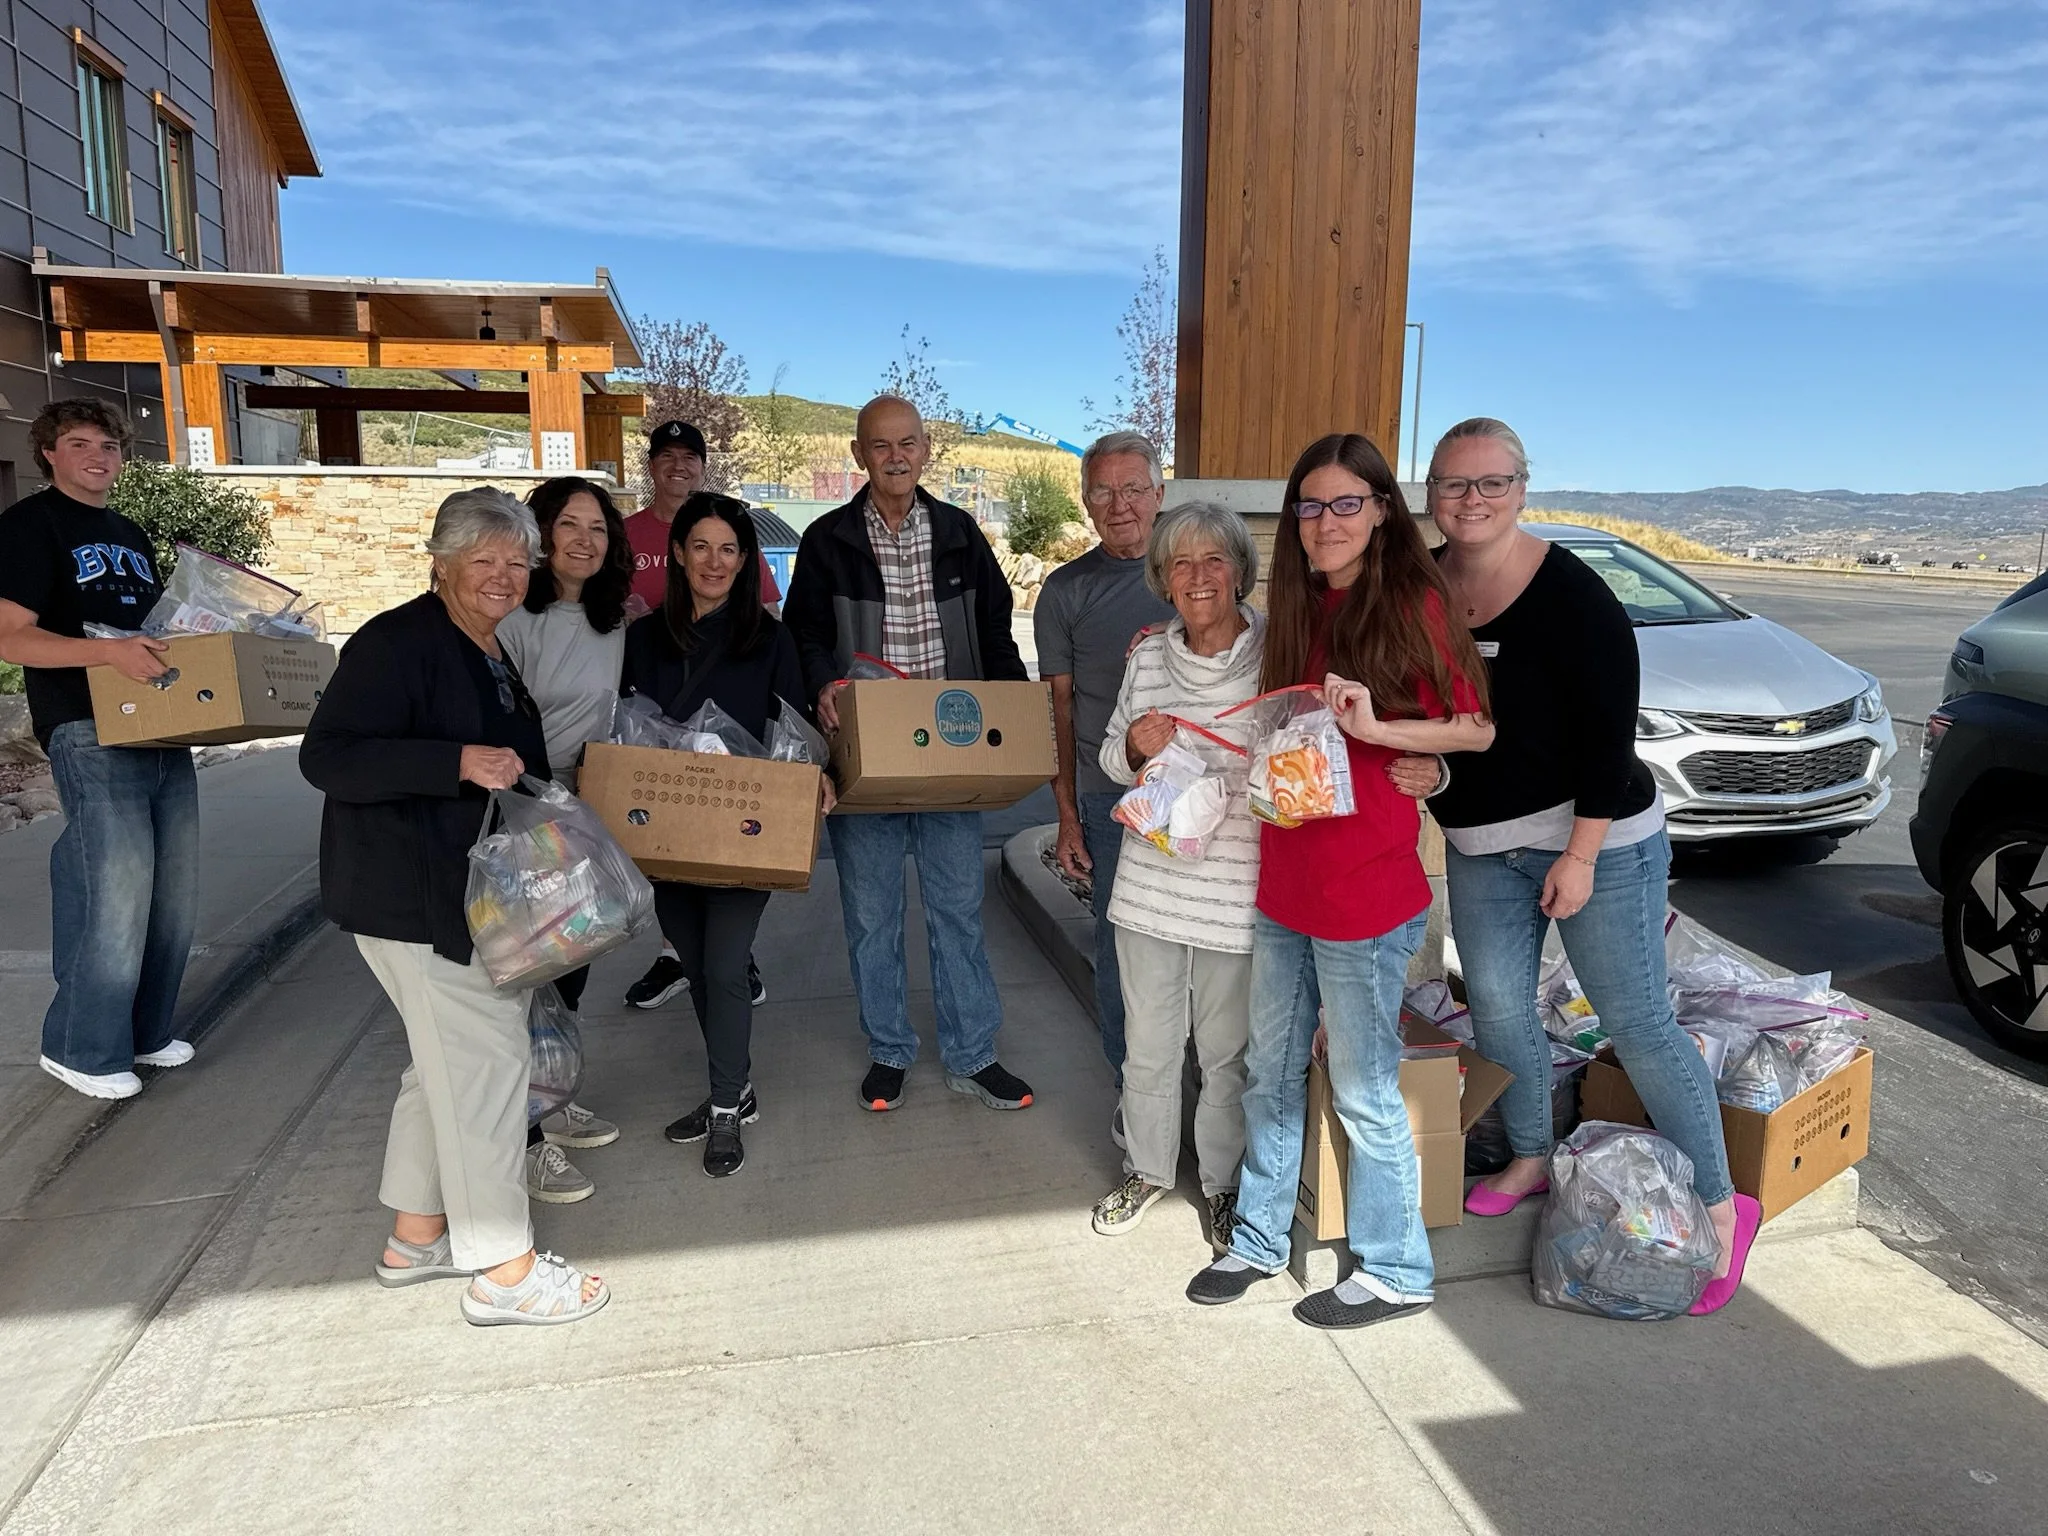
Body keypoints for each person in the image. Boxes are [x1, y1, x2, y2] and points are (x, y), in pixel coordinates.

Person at [1424, 416, 1760, 1316]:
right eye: (1454, 484)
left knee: (1638, 1022)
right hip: (1482, 847)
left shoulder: (1576, 597)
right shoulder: (1425, 584)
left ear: (1522, 489)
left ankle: (1725, 1204)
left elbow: (1609, 746)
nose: (1472, 501)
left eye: (1491, 483)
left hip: (1597, 837)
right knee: (1497, 1007)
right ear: (1431, 493)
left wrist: (1578, 855)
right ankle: (1532, 1154)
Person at [1185, 433, 1494, 1331]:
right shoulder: (1299, 603)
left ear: (1383, 512)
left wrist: (1396, 738)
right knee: (1269, 1075)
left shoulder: (1410, 601)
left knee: (1363, 1088)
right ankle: (1256, 1237)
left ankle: (1398, 1270)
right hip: (1287, 881)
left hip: (1364, 891)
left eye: (1346, 503)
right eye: (1310, 507)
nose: (1326, 523)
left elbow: (1472, 728)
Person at [301, 487, 608, 1326]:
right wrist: (453, 763)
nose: (504, 576)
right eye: (485, 561)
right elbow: (327, 758)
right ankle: (503, 1270)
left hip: (462, 897)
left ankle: (417, 1237)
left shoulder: (485, 646)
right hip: (417, 901)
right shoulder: (399, 642)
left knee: (438, 1069)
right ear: (441, 563)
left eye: (517, 562)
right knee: (487, 1071)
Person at [783, 394, 1034, 1113]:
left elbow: (993, 630)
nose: (895, 457)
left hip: (951, 753)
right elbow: (800, 634)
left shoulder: (959, 532)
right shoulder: (828, 540)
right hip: (867, 754)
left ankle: (972, 1052)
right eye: (880, 445)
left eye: (908, 443)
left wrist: (1013, 710)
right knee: (871, 915)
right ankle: (889, 1050)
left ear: (926, 451)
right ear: (860, 453)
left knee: (957, 909)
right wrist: (820, 683)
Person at [625, 492, 830, 1176]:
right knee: (694, 959)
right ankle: (735, 1087)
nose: (715, 562)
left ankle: (722, 1108)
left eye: (730, 550)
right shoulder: (643, 641)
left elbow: (797, 727)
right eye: (702, 547)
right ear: (678, 553)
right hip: (668, 829)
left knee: (723, 964)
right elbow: (623, 730)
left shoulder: (768, 641)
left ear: (746, 563)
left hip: (746, 828)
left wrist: (815, 779)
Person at [0, 400, 197, 1100]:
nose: (98, 457)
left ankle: (142, 1031)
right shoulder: (29, 526)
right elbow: (9, 636)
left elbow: (145, 629)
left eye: (109, 445)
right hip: (85, 724)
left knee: (172, 889)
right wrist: (108, 657)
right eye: (79, 443)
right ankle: (81, 1046)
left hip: (161, 720)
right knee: (113, 885)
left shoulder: (129, 532)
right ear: (47, 452)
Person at [1089, 502, 1263, 1251]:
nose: (1198, 578)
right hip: (1151, 891)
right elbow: (1107, 760)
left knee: (1227, 1052)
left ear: (1238, 571)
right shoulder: (1149, 657)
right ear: (1162, 578)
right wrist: (1131, 746)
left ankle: (1222, 1185)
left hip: (1236, 890)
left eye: (1213, 560)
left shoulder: (1274, 655)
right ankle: (1149, 1169)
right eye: (1181, 564)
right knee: (1150, 1044)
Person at [497, 475, 633, 1203]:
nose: (584, 541)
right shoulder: (516, 616)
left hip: (585, 815)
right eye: (569, 525)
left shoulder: (615, 621)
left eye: (598, 529)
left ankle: (552, 1098)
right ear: (540, 534)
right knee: (525, 979)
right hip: (523, 816)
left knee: (571, 969)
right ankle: (522, 1139)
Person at [1034, 431, 1173, 1111]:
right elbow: (1055, 712)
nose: (1118, 505)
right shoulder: (1065, 592)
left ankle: (1201, 1095)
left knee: (1211, 959)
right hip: (1109, 802)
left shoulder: (1195, 575)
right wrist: (1066, 815)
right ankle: (1134, 1097)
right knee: (1123, 960)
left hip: (1209, 804)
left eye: (1132, 489)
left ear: (1160, 494)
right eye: (1101, 491)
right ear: (1086, 502)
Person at [622, 420, 774, 1012]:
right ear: (652, 465)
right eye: (667, 456)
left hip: (723, 709)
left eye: (690, 457)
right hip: (651, 697)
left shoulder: (729, 528)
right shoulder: (625, 533)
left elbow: (765, 611)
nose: (678, 467)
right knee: (665, 844)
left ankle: (732, 956)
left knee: (724, 840)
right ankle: (675, 956)